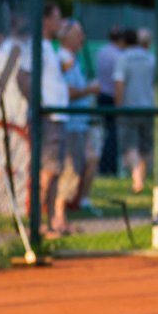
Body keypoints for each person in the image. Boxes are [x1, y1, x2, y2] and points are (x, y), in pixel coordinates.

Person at [17, 1, 69, 237]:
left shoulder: (49, 46)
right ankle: (36, 225)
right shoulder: (36, 45)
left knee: (54, 171)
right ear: (45, 20)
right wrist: (40, 106)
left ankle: (47, 224)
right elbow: (23, 77)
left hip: (58, 118)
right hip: (48, 119)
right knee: (46, 172)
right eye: (57, 18)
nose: (60, 23)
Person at [57, 19, 102, 215]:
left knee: (86, 162)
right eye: (78, 34)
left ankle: (75, 204)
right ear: (66, 37)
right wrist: (89, 90)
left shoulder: (74, 60)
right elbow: (67, 92)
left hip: (80, 124)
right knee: (70, 169)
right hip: (70, 125)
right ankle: (59, 214)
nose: (82, 38)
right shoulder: (63, 59)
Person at [113, 28, 156, 194]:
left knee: (130, 146)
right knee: (144, 147)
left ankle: (137, 180)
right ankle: (140, 180)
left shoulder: (122, 58)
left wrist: (118, 107)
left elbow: (119, 84)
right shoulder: (150, 57)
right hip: (148, 107)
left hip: (128, 108)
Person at [95, 25, 126, 177]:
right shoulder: (119, 55)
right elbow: (118, 81)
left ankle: (105, 165)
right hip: (112, 96)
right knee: (112, 134)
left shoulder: (102, 52)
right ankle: (108, 166)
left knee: (106, 132)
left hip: (102, 95)